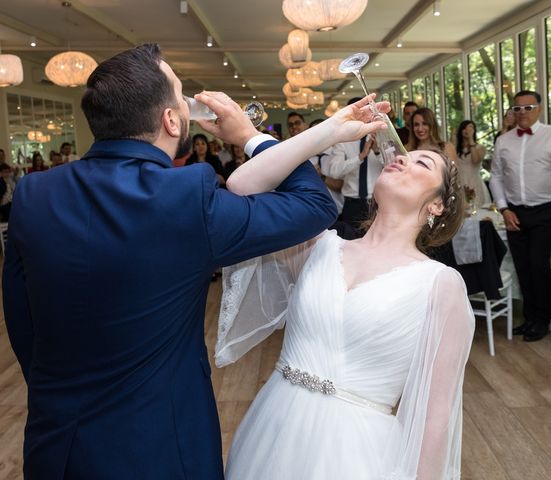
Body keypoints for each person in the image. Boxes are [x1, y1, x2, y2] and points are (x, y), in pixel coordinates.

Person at [2, 43, 387, 479]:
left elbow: (22, 321)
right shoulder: (186, 197)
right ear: (171, 120)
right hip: (162, 447)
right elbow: (313, 205)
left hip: (56, 443)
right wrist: (250, 136)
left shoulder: (34, 195)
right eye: (182, 100)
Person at [217, 148, 473, 480]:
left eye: (421, 163)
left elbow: (436, 414)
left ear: (437, 205)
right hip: (272, 429)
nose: (402, 159)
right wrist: (334, 131)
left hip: (358, 454)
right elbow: (243, 185)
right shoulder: (317, 247)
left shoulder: (440, 284)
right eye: (400, 156)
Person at [490, 90, 551, 342]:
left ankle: (544, 318)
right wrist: (504, 208)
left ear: (539, 109)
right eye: (517, 108)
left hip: (546, 209)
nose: (522, 113)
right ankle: (530, 317)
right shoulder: (504, 140)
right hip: (514, 212)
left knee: (539, 265)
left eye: (528, 108)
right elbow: (495, 176)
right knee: (522, 267)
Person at [325, 97, 384, 235]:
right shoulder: (343, 141)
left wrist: (377, 151)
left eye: (367, 112)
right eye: (359, 112)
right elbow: (335, 171)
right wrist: (360, 157)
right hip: (352, 205)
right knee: (349, 245)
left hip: (377, 204)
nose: (363, 116)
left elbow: (393, 165)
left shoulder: (382, 136)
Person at [455, 120, 490, 206]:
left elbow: (475, 161)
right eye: (464, 128)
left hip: (475, 183)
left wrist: (471, 140)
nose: (467, 130)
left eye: (470, 127)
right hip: (460, 183)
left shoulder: (480, 147)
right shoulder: (456, 149)